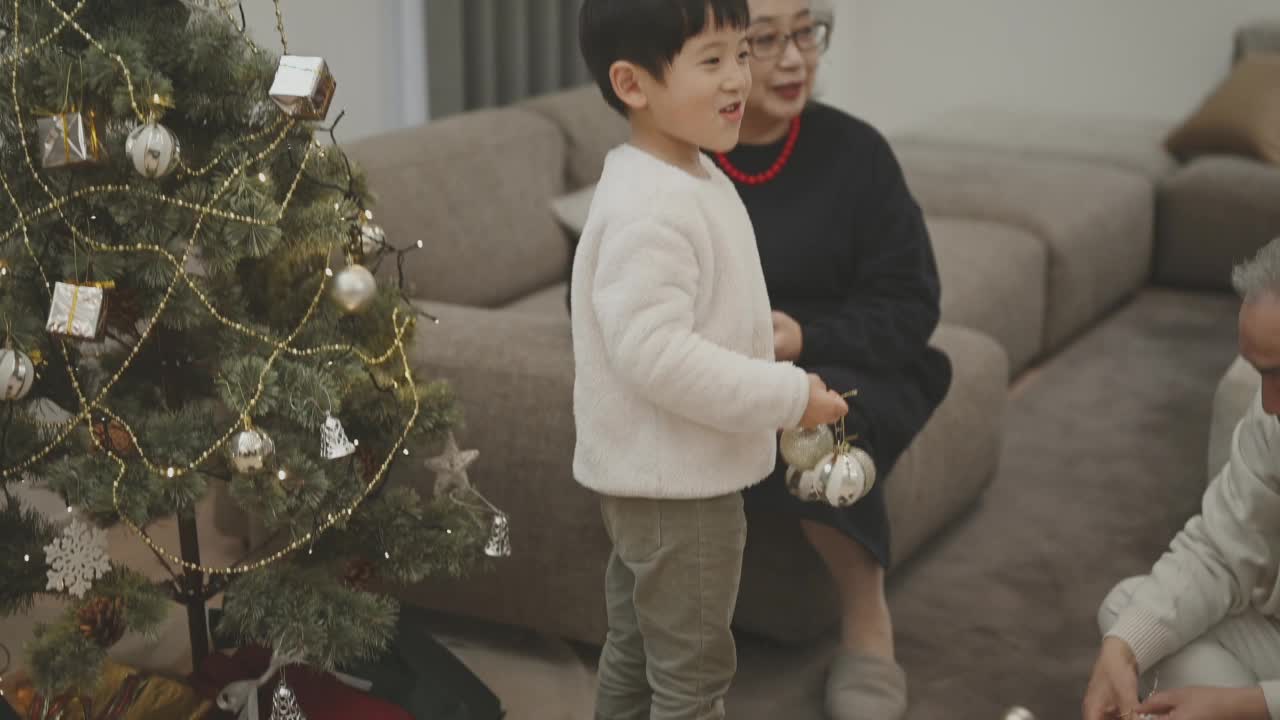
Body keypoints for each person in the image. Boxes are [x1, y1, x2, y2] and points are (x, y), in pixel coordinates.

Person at [573, 1, 850, 717]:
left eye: (740, 51)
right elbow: (657, 355)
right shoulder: (651, 207)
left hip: (657, 482)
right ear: (634, 85)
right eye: (712, 60)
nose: (739, 77)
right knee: (693, 683)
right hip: (679, 494)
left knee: (637, 655)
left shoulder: (683, 172)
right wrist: (789, 395)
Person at [712, 1, 953, 717]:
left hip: (855, 356)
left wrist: (804, 339)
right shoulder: (677, 160)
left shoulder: (857, 152)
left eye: (806, 33)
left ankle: (867, 626)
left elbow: (913, 301)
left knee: (822, 420)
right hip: (724, 369)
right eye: (767, 39)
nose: (795, 58)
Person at [1083, 238, 1280, 720]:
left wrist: (1245, 706)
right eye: (1261, 375)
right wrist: (1125, 648)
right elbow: (1221, 549)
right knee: (1127, 615)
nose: (1270, 403)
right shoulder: (1272, 416)